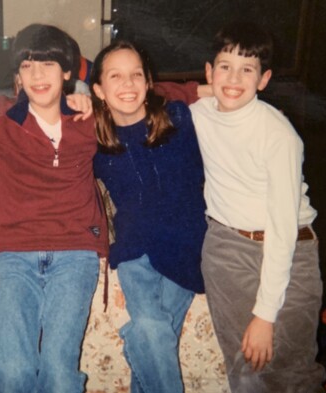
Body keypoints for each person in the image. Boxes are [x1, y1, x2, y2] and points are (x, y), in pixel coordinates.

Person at [0, 24, 109, 393]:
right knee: (12, 372)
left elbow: (136, 91)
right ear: (17, 74)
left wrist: (88, 91)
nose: (37, 75)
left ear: (67, 72)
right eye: (27, 66)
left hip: (75, 254)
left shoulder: (88, 119)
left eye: (48, 65)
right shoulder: (1, 119)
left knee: (61, 376)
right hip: (17, 255)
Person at [189, 21, 326, 392]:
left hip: (291, 248)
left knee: (291, 368)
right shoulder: (199, 114)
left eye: (247, 69)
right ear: (208, 71)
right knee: (244, 366)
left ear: (263, 80)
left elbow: (282, 229)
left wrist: (265, 315)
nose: (234, 78)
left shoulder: (278, 135)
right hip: (227, 248)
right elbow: (140, 91)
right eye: (224, 66)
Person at [91, 41, 207, 393]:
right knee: (153, 329)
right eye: (116, 77)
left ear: (148, 82)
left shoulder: (179, 119)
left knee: (149, 332)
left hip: (187, 245)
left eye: (135, 75)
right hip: (133, 251)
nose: (127, 85)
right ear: (99, 89)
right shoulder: (94, 139)